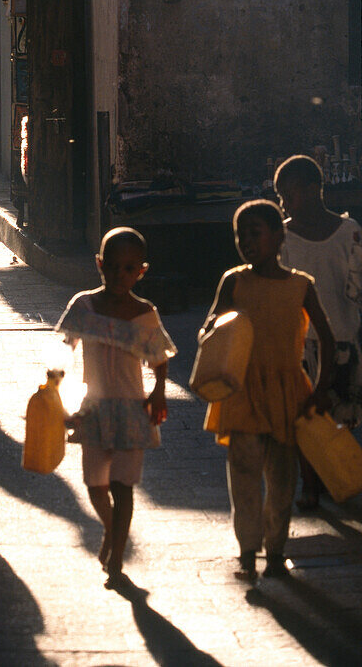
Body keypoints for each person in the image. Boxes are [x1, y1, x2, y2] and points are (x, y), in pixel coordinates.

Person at [201, 199, 334, 580]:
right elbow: (211, 325)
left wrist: (321, 387)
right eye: (240, 234)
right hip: (241, 390)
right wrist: (212, 337)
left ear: (279, 236)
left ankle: (275, 551)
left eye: (254, 233)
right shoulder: (234, 281)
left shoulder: (300, 286)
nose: (246, 241)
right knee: (243, 474)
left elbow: (325, 336)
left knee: (281, 479)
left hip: (288, 391)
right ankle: (247, 549)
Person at [55, 227, 176, 589]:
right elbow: (65, 347)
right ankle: (112, 528)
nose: (119, 275)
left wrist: (158, 392)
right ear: (99, 265)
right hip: (93, 407)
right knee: (95, 484)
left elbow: (159, 358)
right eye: (112, 267)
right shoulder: (83, 306)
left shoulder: (144, 313)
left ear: (141, 271)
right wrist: (55, 390)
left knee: (123, 487)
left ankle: (117, 556)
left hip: (131, 411)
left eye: (128, 268)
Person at [274, 154, 362, 507]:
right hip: (301, 345)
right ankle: (309, 486)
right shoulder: (283, 238)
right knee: (303, 419)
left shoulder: (349, 233)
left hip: (342, 341)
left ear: (313, 191)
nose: (283, 204)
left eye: (288, 195)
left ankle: (337, 474)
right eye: (279, 197)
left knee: (339, 417)